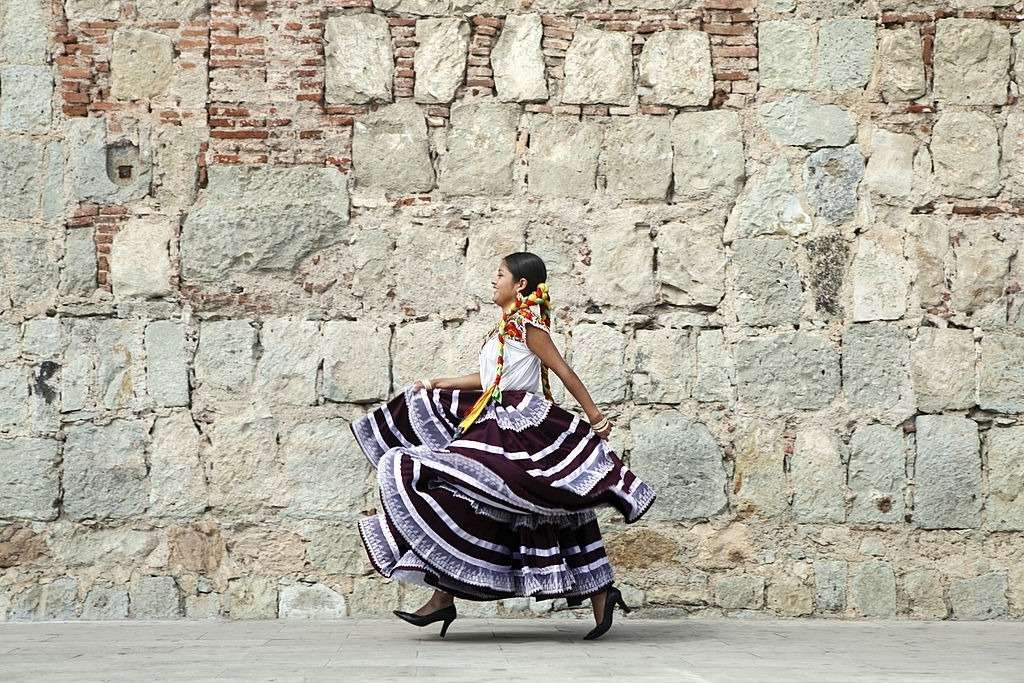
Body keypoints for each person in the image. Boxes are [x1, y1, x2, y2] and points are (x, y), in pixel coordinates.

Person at [351, 251, 657, 641]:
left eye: (500, 275)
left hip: (522, 428)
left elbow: (562, 370)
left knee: (531, 503)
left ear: (521, 285)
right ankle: (446, 598)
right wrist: (438, 382)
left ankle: (598, 593)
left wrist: (596, 418)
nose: (493, 281)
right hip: (497, 420)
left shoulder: (528, 325)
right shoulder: (504, 328)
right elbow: (488, 380)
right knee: (505, 504)